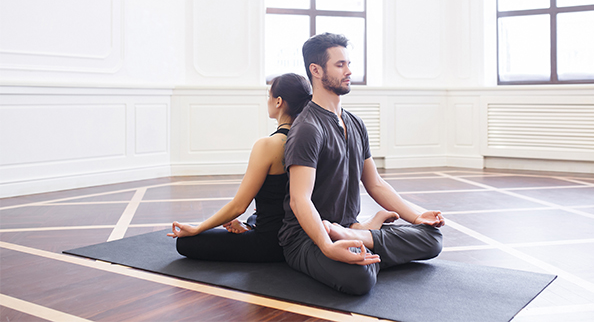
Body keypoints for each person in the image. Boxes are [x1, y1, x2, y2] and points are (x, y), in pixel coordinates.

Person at [279, 33, 445, 295]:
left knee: (433, 238)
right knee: (359, 279)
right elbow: (300, 200)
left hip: (348, 228)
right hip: (306, 238)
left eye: (349, 64)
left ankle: (361, 236)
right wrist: (327, 245)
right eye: (340, 65)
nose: (349, 71)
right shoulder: (307, 129)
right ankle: (364, 238)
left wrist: (415, 216)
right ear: (316, 70)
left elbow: (375, 184)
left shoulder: (355, 123)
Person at [167, 73, 312, 263]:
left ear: (278, 101)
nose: (267, 100)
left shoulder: (268, 145)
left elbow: (238, 206)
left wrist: (198, 228)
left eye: (269, 96)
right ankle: (249, 227)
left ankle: (249, 229)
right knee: (258, 214)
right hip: (300, 237)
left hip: (269, 243)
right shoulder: (310, 141)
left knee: (185, 244)